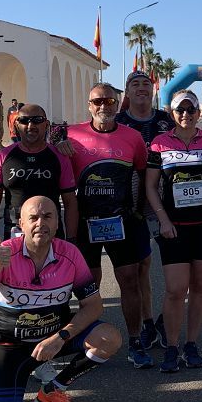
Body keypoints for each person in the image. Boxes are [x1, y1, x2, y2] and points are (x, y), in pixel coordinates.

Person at [0, 196, 122, 402]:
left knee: (109, 337)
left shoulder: (70, 254)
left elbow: (93, 306)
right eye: (33, 218)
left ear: (57, 223)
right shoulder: (4, 253)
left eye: (48, 216)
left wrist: (60, 337)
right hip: (9, 344)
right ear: (21, 223)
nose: (41, 223)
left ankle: (52, 391)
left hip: (53, 340)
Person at [62, 84, 152, 367]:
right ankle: (93, 339)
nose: (104, 106)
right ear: (89, 105)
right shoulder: (71, 135)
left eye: (110, 101)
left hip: (122, 222)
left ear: (117, 104)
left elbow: (143, 178)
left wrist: (141, 216)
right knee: (89, 286)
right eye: (98, 101)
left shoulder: (133, 137)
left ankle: (136, 341)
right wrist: (56, 141)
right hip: (85, 222)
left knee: (129, 280)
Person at [145, 89, 202, 371]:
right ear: (172, 113)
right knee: (175, 289)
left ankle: (191, 343)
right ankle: (171, 345)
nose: (185, 115)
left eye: (190, 109)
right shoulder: (159, 144)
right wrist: (162, 219)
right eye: (180, 110)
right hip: (174, 229)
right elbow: (150, 186)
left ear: (198, 112)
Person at [115, 70, 174, 351]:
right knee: (141, 268)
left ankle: (163, 319)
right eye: (134, 84)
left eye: (146, 84)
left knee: (179, 268)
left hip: (167, 204)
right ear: (126, 92)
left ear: (153, 90)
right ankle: (147, 323)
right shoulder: (118, 122)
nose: (141, 88)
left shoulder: (167, 119)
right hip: (133, 205)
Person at [0, 103, 77, 244]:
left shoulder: (59, 156)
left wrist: (71, 241)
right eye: (24, 120)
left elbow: (70, 202)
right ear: (16, 125)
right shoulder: (3, 156)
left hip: (51, 236)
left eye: (37, 120)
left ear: (46, 124)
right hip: (15, 235)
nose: (30, 125)